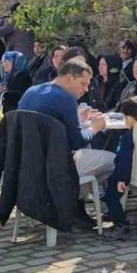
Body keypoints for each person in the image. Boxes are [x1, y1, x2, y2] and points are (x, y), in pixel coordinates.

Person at [18, 60, 115, 188]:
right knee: (114, 160)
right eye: (83, 83)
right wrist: (95, 127)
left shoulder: (30, 92)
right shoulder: (66, 98)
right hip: (56, 165)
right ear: (69, 78)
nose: (86, 89)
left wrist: (77, 118)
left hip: (26, 162)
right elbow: (77, 142)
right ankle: (75, 198)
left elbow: (46, 121)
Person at [101, 96, 137, 241]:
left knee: (111, 194)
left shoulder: (129, 137)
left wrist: (121, 179)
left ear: (130, 118)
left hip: (130, 172)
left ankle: (120, 223)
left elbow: (124, 160)